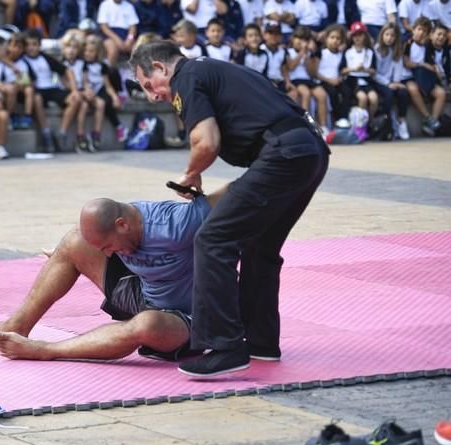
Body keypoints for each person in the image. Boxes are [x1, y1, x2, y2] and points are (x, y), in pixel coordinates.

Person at [129, 40, 329, 377]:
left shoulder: (186, 77)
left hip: (284, 154)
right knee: (260, 247)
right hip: (309, 151)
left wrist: (190, 174)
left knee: (212, 240)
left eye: (150, 85)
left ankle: (225, 346)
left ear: (161, 68)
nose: (153, 95)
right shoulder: (212, 68)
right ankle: (262, 343)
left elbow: (206, 142)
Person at [0, 185, 228, 362]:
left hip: (186, 319)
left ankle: (45, 350)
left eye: (108, 247)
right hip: (145, 296)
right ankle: (18, 325)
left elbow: (241, 187)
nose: (106, 254)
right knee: (73, 242)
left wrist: (196, 171)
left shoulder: (177, 222)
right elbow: (95, 247)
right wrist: (66, 253)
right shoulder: (120, 233)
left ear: (122, 225)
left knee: (147, 324)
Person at [374, 22, 411, 139]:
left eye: (392, 36)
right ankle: (387, 121)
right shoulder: (376, 50)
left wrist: (396, 82)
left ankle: (402, 121)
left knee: (403, 92)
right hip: (379, 81)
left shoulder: (397, 50)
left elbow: (398, 68)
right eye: (387, 35)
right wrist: (388, 83)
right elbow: (374, 73)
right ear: (382, 35)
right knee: (388, 94)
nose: (389, 38)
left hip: (393, 82)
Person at [312, 23, 350, 134]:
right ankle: (336, 118)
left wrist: (340, 77)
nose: (335, 41)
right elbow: (315, 73)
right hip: (323, 80)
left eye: (338, 38)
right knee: (332, 93)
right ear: (326, 39)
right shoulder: (321, 53)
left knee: (346, 91)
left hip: (335, 80)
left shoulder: (341, 54)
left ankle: (344, 118)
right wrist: (329, 80)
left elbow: (340, 70)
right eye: (332, 37)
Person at [341, 21, 379, 122]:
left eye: (360, 35)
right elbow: (342, 70)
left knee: (374, 99)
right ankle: (360, 124)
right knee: (362, 98)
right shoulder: (348, 52)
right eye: (355, 35)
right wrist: (354, 69)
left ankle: (370, 121)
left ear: (365, 36)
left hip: (367, 80)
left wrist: (365, 69)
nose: (357, 38)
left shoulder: (370, 52)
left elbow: (374, 71)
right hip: (353, 80)